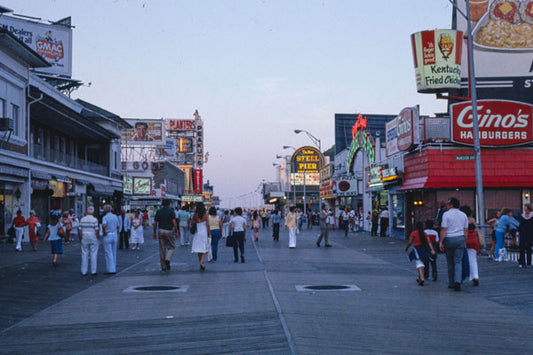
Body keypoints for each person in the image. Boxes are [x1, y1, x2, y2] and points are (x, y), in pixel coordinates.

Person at [439, 197, 468, 292]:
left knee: (450, 262)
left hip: (449, 238)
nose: (446, 206)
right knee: (458, 261)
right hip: (460, 238)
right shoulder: (463, 215)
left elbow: (444, 229)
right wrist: (465, 241)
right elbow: (465, 230)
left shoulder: (446, 215)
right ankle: (458, 281)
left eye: (448, 204)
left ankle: (451, 283)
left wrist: (440, 241)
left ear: (451, 205)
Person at [405, 221, 435, 286]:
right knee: (422, 263)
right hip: (424, 248)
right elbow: (429, 242)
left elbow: (410, 242)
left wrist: (407, 248)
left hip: (417, 249)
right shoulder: (425, 233)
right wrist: (432, 249)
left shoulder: (414, 233)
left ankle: (421, 278)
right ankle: (419, 277)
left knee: (418, 263)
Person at [153, 199, 178, 271]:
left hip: (161, 230)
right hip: (169, 231)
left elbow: (155, 223)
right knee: (171, 247)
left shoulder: (159, 211)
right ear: (169, 204)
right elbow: (174, 222)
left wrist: (154, 232)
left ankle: (163, 266)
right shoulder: (171, 211)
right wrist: (176, 231)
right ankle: (168, 258)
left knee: (162, 249)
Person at [460, 205, 481, 286]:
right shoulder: (473, 220)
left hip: (465, 241)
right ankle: (475, 276)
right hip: (474, 241)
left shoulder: (462, 220)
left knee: (461, 260)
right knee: (473, 260)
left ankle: (462, 276)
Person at [78, 206, 99, 276]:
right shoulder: (95, 220)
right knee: (94, 254)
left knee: (84, 253)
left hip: (84, 236)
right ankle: (93, 271)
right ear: (93, 212)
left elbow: (80, 230)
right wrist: (98, 238)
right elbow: (97, 230)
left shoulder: (82, 219)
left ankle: (84, 271)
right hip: (93, 236)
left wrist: (80, 238)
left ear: (86, 211)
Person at [191, 202, 210, 271]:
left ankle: (201, 262)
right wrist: (209, 233)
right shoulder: (206, 215)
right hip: (204, 232)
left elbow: (191, 222)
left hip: (197, 232)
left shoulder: (195, 214)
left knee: (199, 249)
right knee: (204, 248)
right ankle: (202, 261)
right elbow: (207, 225)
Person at [101, 205, 119, 274]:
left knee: (108, 252)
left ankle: (111, 269)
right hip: (114, 234)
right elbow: (118, 226)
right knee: (114, 252)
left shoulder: (105, 217)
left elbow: (103, 225)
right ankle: (113, 267)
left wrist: (104, 232)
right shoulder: (115, 216)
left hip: (108, 235)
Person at [518, 204, 533, 268]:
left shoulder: (532, 215)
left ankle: (529, 262)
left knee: (529, 247)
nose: (524, 208)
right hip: (522, 233)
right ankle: (522, 262)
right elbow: (520, 225)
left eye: (525, 207)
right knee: (522, 247)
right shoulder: (522, 216)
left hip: (530, 233)